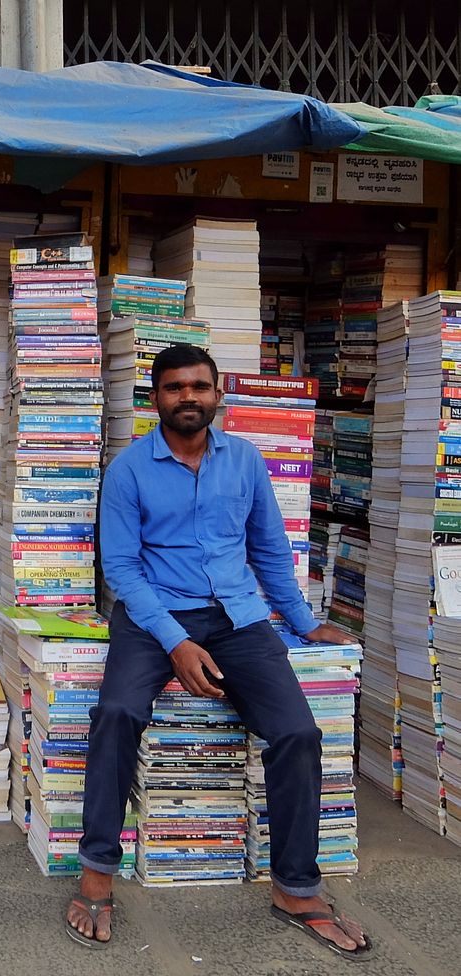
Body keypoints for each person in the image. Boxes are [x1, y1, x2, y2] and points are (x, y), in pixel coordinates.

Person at [66, 344, 372, 959]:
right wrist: (175, 642)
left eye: (199, 387)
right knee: (119, 713)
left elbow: (268, 550)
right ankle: (97, 871)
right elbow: (121, 569)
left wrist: (306, 623)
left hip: (238, 618)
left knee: (297, 733)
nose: (189, 397)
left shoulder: (246, 462)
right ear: (156, 398)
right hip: (153, 615)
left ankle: (295, 885)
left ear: (216, 395)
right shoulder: (128, 469)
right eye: (175, 388)